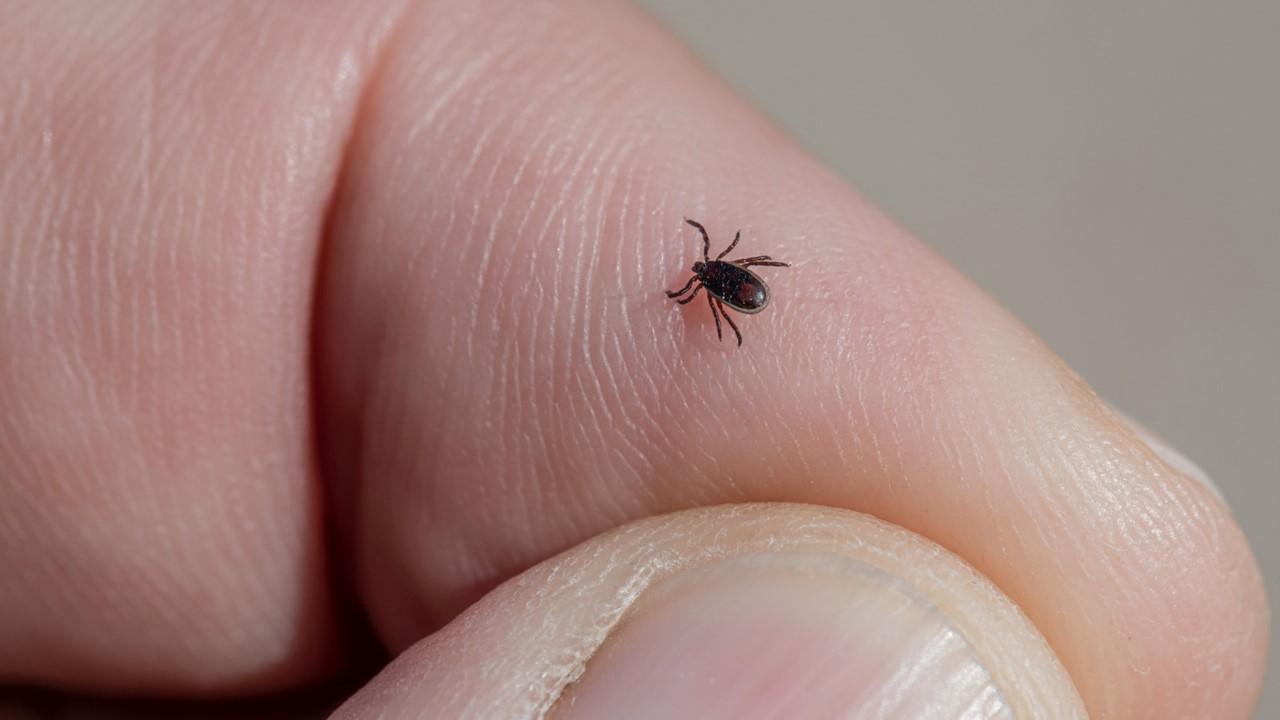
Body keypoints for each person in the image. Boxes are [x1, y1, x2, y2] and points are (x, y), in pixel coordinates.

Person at [0, 2, 1267, 718]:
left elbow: (722, 278)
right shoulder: (722, 285)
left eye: (711, 277)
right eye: (712, 279)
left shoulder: (710, 284)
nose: (711, 283)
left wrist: (711, 287)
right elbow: (732, 277)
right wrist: (723, 288)